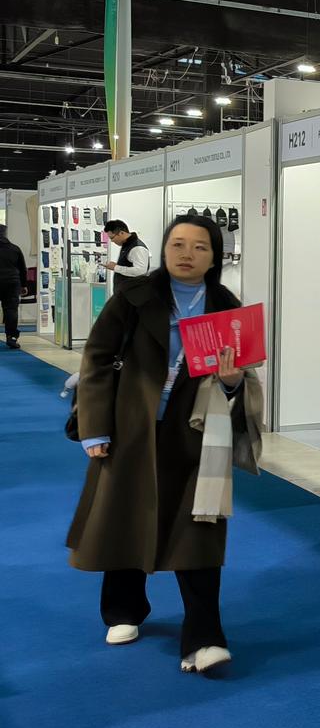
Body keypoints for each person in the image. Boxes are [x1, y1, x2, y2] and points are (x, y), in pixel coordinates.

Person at [67, 215, 265, 675]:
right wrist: (95, 428)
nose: (186, 254)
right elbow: (97, 359)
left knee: (199, 531)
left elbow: (240, 378)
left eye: (199, 247)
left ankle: (204, 636)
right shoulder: (133, 297)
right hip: (129, 430)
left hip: (197, 436)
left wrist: (232, 381)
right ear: (164, 248)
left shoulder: (226, 307)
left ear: (214, 257)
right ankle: (124, 609)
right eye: (178, 244)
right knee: (126, 518)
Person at [105, 219, 151, 292]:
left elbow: (141, 271)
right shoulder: (127, 245)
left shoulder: (137, 248)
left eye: (112, 237)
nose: (112, 241)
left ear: (121, 233)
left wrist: (116, 267)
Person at [0, 224, 25, 349]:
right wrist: (24, 285)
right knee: (11, 310)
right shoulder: (15, 249)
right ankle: (11, 338)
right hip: (12, 282)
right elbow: (22, 269)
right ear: (5, 234)